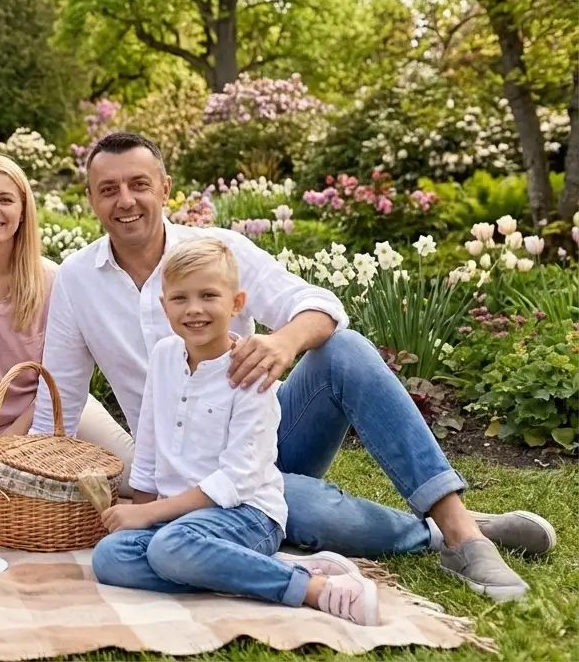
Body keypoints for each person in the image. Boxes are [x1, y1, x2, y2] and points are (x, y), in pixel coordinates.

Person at [34, 131, 556, 602]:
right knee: (305, 509)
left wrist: (283, 342)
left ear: (166, 188)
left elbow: (321, 304)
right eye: (108, 189)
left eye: (139, 184)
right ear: (91, 200)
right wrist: (33, 484)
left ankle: (462, 534)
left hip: (263, 436)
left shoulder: (219, 252)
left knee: (344, 348)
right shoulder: (78, 280)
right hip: (188, 475)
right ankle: (443, 529)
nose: (125, 200)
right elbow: (58, 399)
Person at [94, 237, 380, 626]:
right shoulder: (164, 356)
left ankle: (309, 587)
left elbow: (237, 481)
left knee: (169, 549)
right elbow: (148, 441)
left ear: (237, 304)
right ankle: (239, 569)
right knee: (111, 557)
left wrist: (153, 514)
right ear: (164, 307)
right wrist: (143, 508)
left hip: (246, 514)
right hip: (180, 520)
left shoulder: (250, 371)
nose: (194, 310)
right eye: (179, 299)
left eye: (209, 295)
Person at [0, 155, 135, 462]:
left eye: (5, 199)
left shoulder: (53, 280)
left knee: (133, 476)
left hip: (50, 413)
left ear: (22, 212)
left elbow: (61, 377)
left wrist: (14, 436)